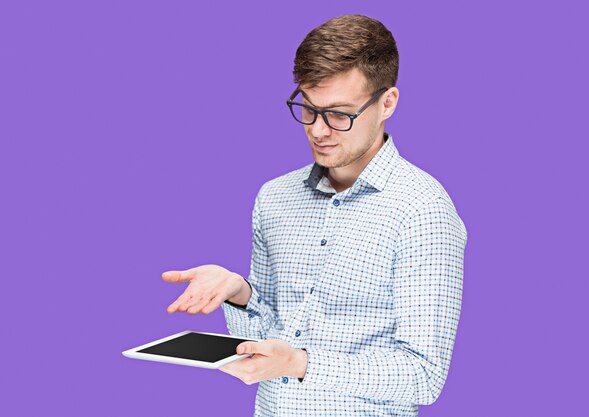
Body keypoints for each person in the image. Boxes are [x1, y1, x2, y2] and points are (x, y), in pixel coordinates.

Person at [161, 14, 467, 417]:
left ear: (387, 102)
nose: (318, 130)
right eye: (308, 107)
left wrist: (302, 364)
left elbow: (423, 375)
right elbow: (268, 341)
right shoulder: (274, 198)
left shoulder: (422, 210)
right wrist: (238, 293)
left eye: (340, 114)